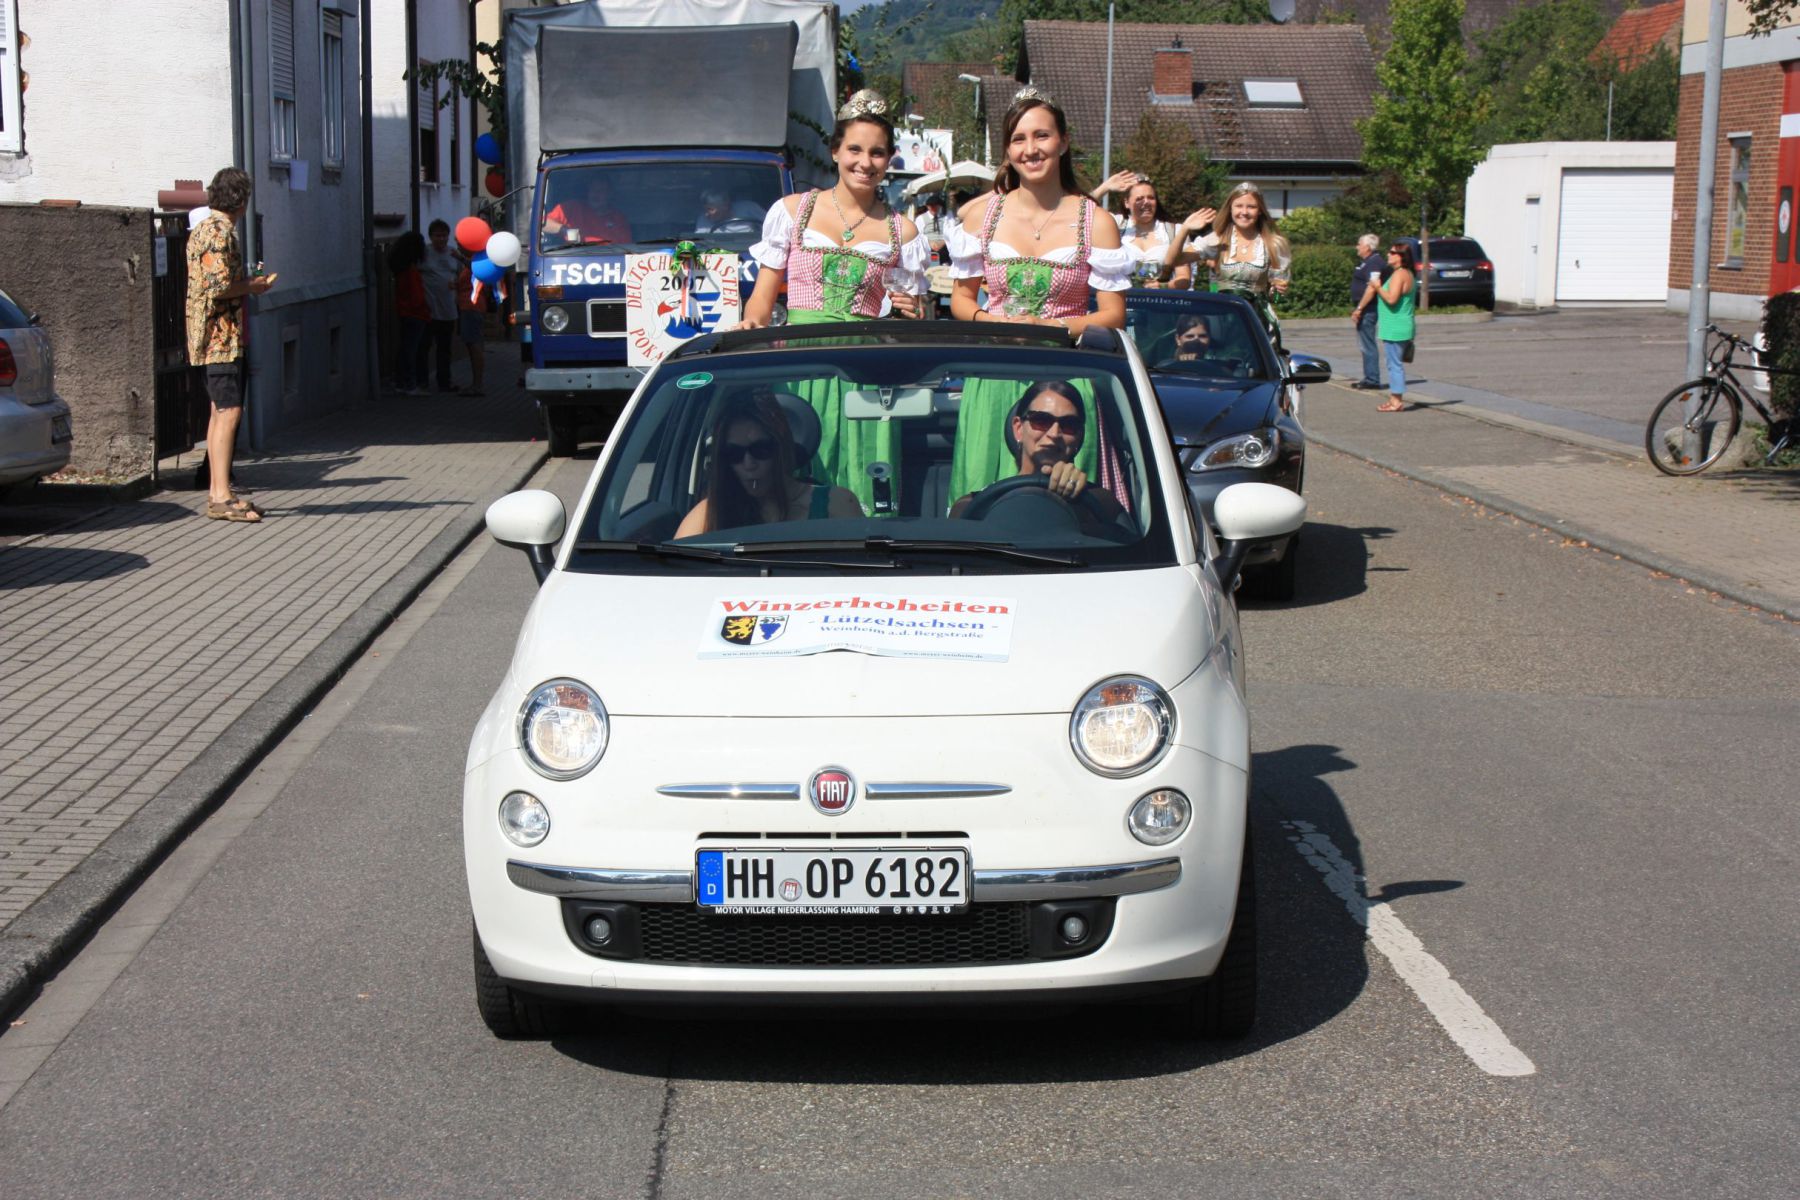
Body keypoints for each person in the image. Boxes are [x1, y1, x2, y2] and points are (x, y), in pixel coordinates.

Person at [735, 89, 931, 514]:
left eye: (877, 153)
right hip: (799, 362)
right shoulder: (792, 212)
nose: (865, 162)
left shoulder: (903, 232)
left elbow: (913, 316)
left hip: (866, 371)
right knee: (797, 478)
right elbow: (761, 301)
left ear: (889, 158)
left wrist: (911, 312)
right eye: (855, 149)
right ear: (835, 151)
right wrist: (752, 326)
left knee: (865, 482)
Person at [945, 86, 1131, 501]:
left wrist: (1049, 326)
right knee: (986, 497)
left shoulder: (1096, 221)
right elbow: (961, 301)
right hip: (995, 376)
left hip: (1066, 380)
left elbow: (1113, 315)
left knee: (1069, 503)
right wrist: (994, 322)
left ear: (1063, 142)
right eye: (1019, 139)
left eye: (1041, 136)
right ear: (1008, 151)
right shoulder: (981, 216)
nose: (1030, 149)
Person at [185, 166, 276, 523]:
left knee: (218, 412)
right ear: (241, 201)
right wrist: (253, 285)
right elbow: (219, 287)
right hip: (218, 336)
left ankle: (217, 491)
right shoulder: (218, 232)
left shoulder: (204, 228)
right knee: (229, 411)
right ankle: (221, 496)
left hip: (213, 334)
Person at [675, 393, 861, 537]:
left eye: (760, 450)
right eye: (734, 454)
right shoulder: (710, 514)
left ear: (781, 448)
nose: (749, 464)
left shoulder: (836, 505)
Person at [949, 382, 1124, 531]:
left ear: (1080, 436)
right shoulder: (972, 506)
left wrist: (1080, 498)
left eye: (1069, 425)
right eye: (1041, 421)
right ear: (1018, 428)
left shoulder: (1100, 503)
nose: (1054, 433)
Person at [1161, 180, 1291, 348]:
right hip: (1223, 319)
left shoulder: (1274, 244)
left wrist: (1276, 292)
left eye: (1251, 207)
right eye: (1239, 206)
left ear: (1260, 210)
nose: (1244, 212)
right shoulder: (1218, 239)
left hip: (1257, 319)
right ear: (1230, 209)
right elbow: (1173, 261)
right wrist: (1185, 229)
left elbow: (1277, 297)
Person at [1091, 171, 1191, 289]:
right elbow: (1080, 210)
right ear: (1127, 203)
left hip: (1159, 298)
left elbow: (1184, 279)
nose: (1146, 202)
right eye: (1139, 198)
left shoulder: (1175, 231)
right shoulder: (1115, 224)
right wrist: (1105, 187)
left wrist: (1162, 286)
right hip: (1119, 297)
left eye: (1151, 198)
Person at [1374, 241, 1417, 413]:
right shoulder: (1407, 273)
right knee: (1394, 363)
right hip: (1400, 324)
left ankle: (1396, 401)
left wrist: (1378, 287)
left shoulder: (1399, 274)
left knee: (1394, 364)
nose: (1388, 254)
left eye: (1392, 252)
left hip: (1395, 327)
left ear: (1401, 257)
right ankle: (1394, 398)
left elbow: (1392, 299)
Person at [389, 232, 431, 397]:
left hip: (405, 312)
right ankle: (410, 383)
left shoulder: (401, 269)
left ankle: (401, 382)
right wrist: (426, 308)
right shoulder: (411, 271)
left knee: (405, 348)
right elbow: (417, 296)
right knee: (412, 349)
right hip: (416, 314)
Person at [421, 219, 459, 393]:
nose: (441, 239)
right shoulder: (424, 253)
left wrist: (456, 284)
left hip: (448, 309)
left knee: (445, 348)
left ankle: (444, 381)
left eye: (444, 236)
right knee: (424, 346)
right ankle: (422, 381)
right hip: (428, 309)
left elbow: (461, 274)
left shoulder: (453, 254)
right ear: (431, 237)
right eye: (437, 236)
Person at [542, 174, 632, 245]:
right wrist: (565, 230)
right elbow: (542, 224)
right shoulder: (572, 208)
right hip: (574, 258)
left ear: (609, 195)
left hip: (609, 259)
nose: (595, 194)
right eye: (593, 189)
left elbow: (626, 249)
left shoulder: (618, 219)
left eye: (601, 191)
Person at [1348, 233, 1384, 389]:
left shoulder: (1374, 262)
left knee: (1367, 343)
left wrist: (1359, 308)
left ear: (1368, 247)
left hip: (1368, 308)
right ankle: (1369, 377)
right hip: (1364, 307)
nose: (1357, 247)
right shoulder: (1367, 262)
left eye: (1359, 244)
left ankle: (1372, 379)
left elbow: (1372, 288)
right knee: (1364, 343)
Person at [454, 253, 486, 396]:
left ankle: (477, 385)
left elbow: (478, 271)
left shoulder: (478, 262)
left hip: (472, 306)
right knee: (472, 345)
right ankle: (476, 384)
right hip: (468, 306)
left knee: (474, 346)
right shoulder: (471, 263)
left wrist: (460, 257)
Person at [694, 188, 764, 235]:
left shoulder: (748, 208)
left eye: (710, 209)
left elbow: (768, 226)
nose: (706, 214)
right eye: (705, 209)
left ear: (725, 206)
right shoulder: (704, 219)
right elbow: (700, 242)